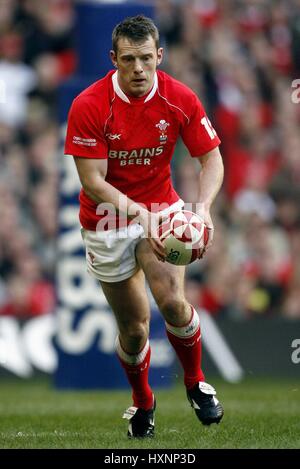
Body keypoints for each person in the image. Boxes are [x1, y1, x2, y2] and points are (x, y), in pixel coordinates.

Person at [64, 15, 224, 438]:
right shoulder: (89, 104)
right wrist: (140, 215)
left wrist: (203, 208)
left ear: (160, 57)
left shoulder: (179, 98)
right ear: (113, 58)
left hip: (162, 207)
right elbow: (92, 182)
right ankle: (142, 401)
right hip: (106, 220)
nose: (138, 69)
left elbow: (210, 158)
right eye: (129, 59)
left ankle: (196, 383)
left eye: (147, 59)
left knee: (172, 301)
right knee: (134, 330)